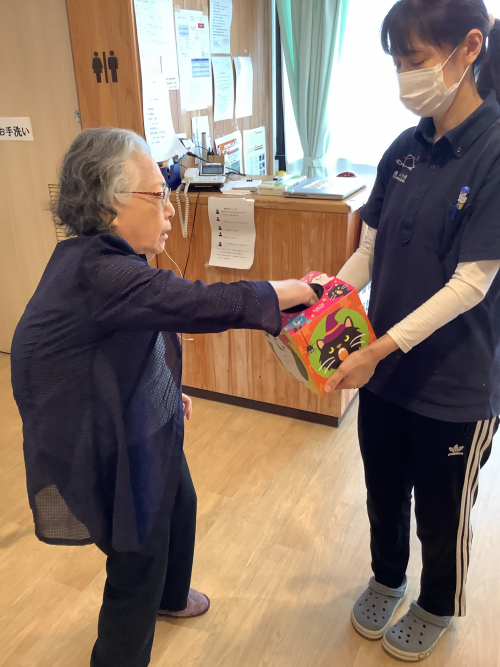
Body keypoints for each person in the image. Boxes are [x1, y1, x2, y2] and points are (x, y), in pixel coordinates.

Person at [10, 127, 315, 667]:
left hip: (125, 407)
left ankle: (171, 599)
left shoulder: (105, 258)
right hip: (92, 433)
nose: (170, 208)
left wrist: (167, 391)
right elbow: (200, 304)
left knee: (180, 498)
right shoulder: (99, 270)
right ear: (109, 205)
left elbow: (133, 335)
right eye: (158, 194)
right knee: (138, 554)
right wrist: (298, 291)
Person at [324, 0, 500, 662]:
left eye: (416, 59)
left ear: (469, 48)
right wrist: (321, 308)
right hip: (387, 374)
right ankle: (387, 577)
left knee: (442, 510)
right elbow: (369, 252)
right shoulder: (403, 148)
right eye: (396, 61)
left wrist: (374, 348)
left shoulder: (494, 153)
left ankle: (437, 603)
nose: (404, 75)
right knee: (384, 490)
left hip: (455, 383)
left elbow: (471, 285)